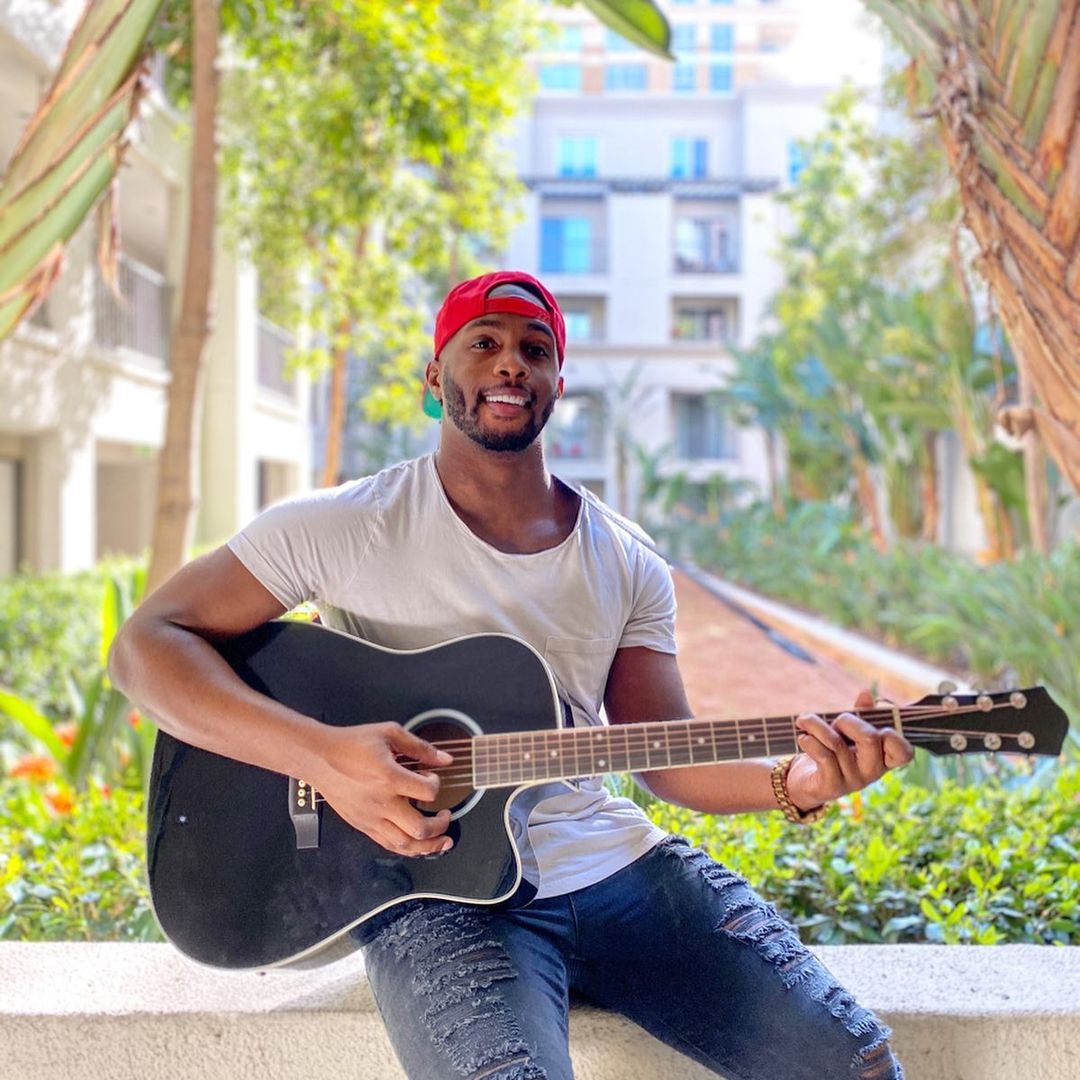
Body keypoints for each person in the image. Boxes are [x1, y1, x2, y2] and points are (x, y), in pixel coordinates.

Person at [110, 270, 911, 1080]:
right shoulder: (342, 527)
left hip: (618, 867)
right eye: (483, 343)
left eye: (535, 349)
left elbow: (661, 756)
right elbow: (146, 646)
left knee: (857, 1065)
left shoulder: (626, 558)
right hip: (433, 890)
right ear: (435, 375)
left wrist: (799, 784)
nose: (510, 364)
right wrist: (321, 757)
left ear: (558, 383)